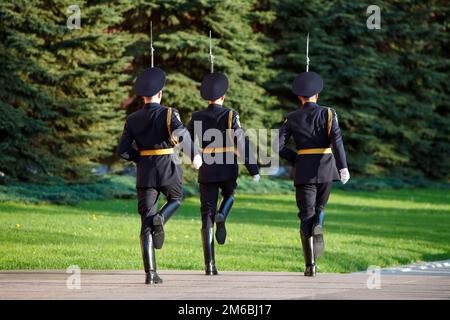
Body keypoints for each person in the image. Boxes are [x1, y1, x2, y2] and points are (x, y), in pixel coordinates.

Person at [118, 67, 202, 284]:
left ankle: (151, 273)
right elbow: (182, 135)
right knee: (175, 199)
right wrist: (194, 155)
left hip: (145, 172)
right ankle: (162, 218)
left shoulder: (133, 118)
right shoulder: (168, 113)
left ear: (143, 96)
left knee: (145, 224)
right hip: (168, 166)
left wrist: (140, 159)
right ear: (160, 93)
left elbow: (123, 150)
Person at [274, 71, 350, 277]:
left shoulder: (291, 117)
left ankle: (310, 266)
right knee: (320, 207)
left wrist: (296, 158)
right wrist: (343, 167)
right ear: (317, 95)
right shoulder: (328, 113)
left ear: (299, 97)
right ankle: (320, 223)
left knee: (305, 215)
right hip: (326, 168)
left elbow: (276, 146)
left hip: (304, 170)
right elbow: (337, 140)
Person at [187, 72, 260, 275]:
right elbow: (241, 142)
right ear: (223, 97)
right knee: (229, 195)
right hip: (228, 164)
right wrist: (253, 169)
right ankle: (222, 214)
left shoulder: (197, 116)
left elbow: (186, 138)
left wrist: (194, 156)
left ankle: (209, 265)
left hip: (207, 166)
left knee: (205, 214)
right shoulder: (230, 115)